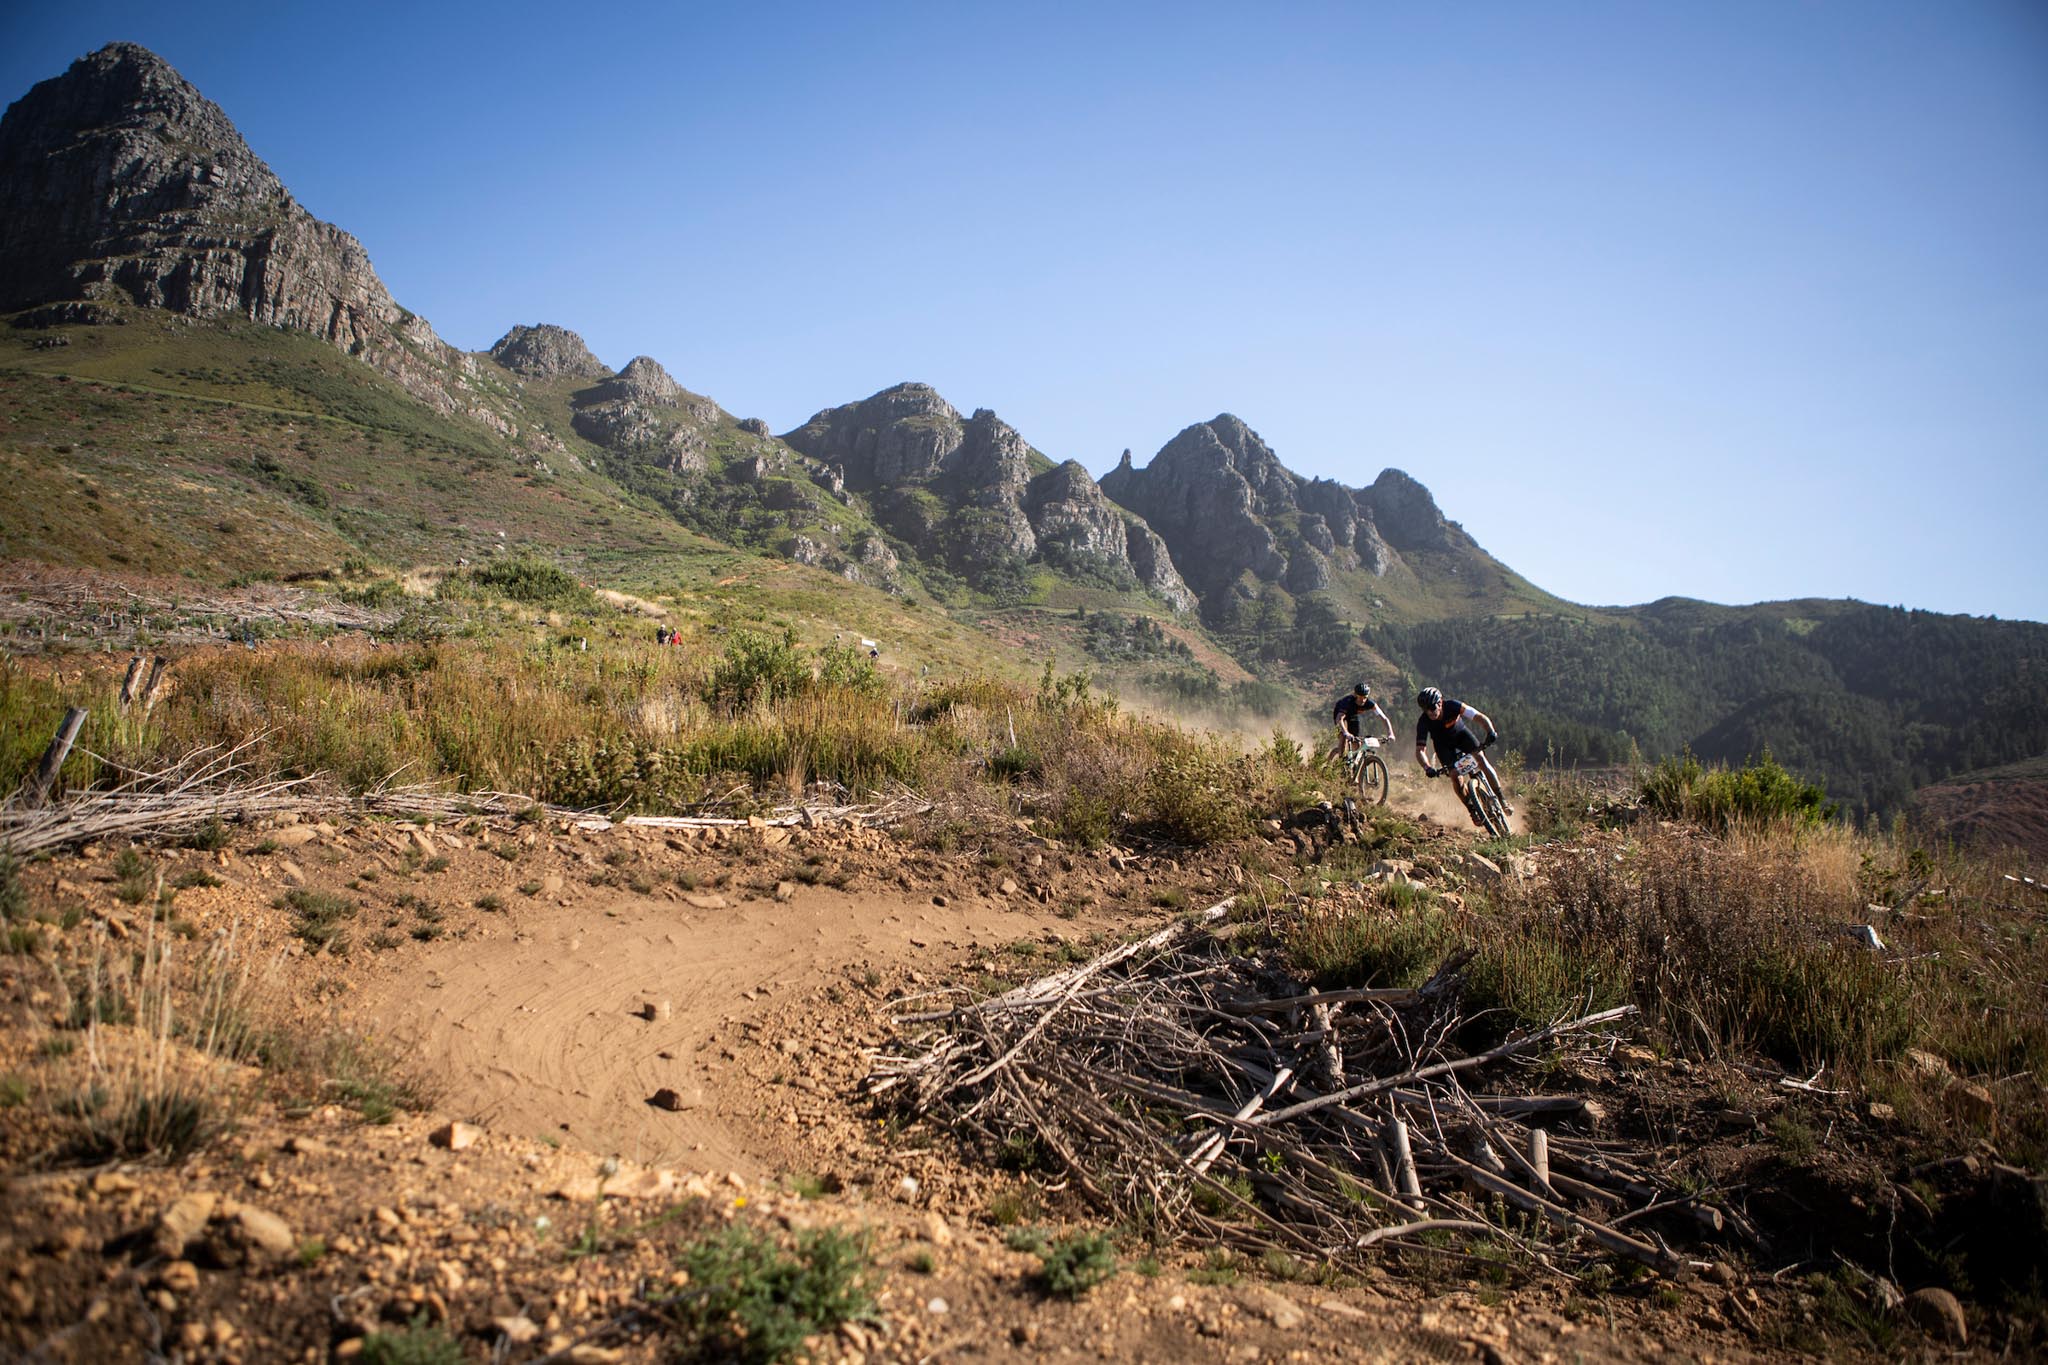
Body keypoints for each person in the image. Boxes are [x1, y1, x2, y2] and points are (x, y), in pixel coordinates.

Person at [1413, 687, 1510, 826]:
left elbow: (1478, 716)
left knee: (1481, 759)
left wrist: (1490, 731)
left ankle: (1502, 798)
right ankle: (1472, 809)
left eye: (1432, 707)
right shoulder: (1423, 721)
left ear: (1440, 703)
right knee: (1455, 776)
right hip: (1443, 746)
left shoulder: (1453, 705)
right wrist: (1427, 767)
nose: (1429, 712)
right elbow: (1420, 750)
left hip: (1462, 736)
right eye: (1425, 709)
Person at [1332, 682, 1394, 764]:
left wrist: (1391, 733)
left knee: (1357, 742)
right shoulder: (1347, 702)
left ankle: (1353, 765)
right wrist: (1345, 732)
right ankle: (1340, 763)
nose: (1362, 700)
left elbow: (1384, 718)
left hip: (1353, 715)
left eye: (1365, 697)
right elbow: (1340, 718)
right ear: (1355, 695)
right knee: (1343, 737)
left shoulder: (1371, 704)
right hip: (1340, 714)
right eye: (1360, 697)